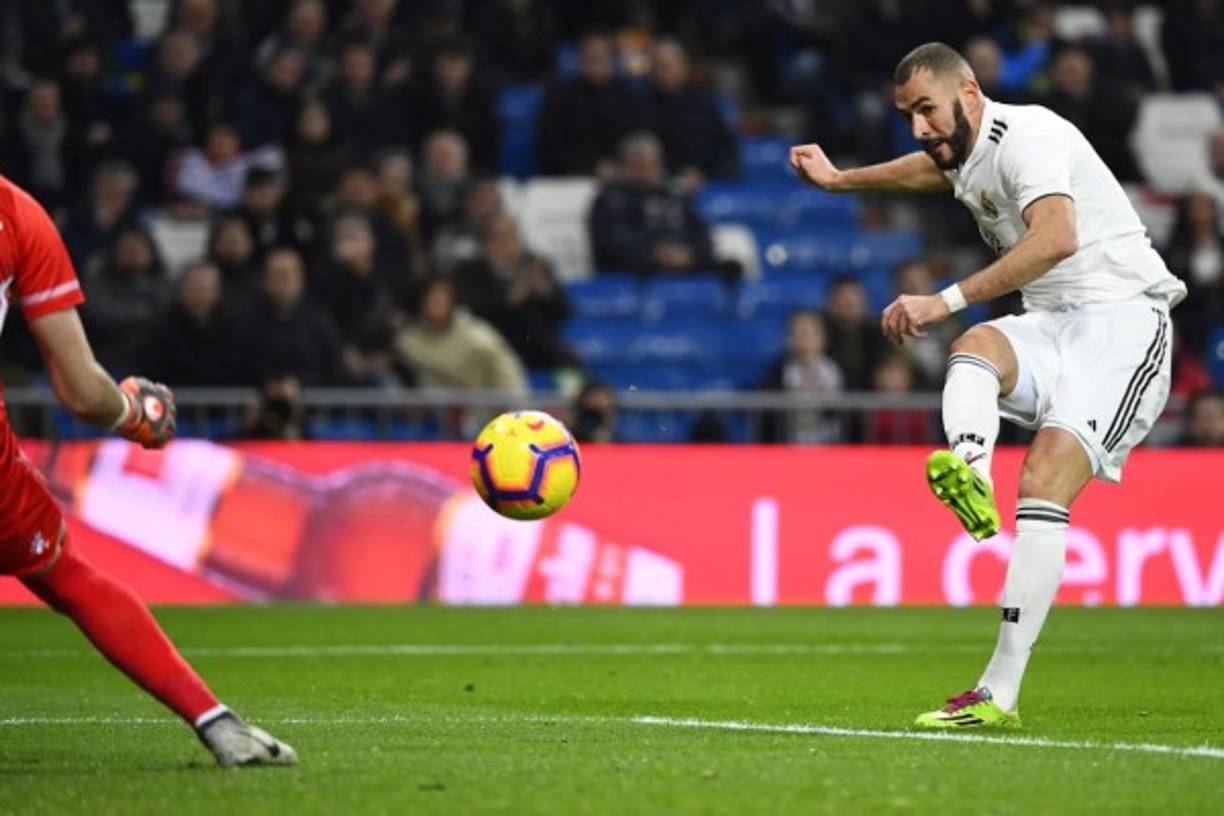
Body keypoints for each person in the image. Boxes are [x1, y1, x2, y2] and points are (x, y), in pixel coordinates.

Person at [790, 42, 1186, 728]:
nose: (919, 128)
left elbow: (1056, 237)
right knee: (976, 350)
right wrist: (841, 181)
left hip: (1123, 324)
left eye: (926, 110)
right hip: (1052, 321)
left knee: (1042, 479)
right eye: (908, 115)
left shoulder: (1031, 136)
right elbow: (931, 169)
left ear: (968, 92)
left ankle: (997, 691)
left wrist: (941, 300)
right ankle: (970, 468)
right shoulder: (966, 149)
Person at [0, 173, 295, 766]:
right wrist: (135, 413)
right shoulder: (17, 215)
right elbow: (84, 393)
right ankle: (216, 722)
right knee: (65, 574)